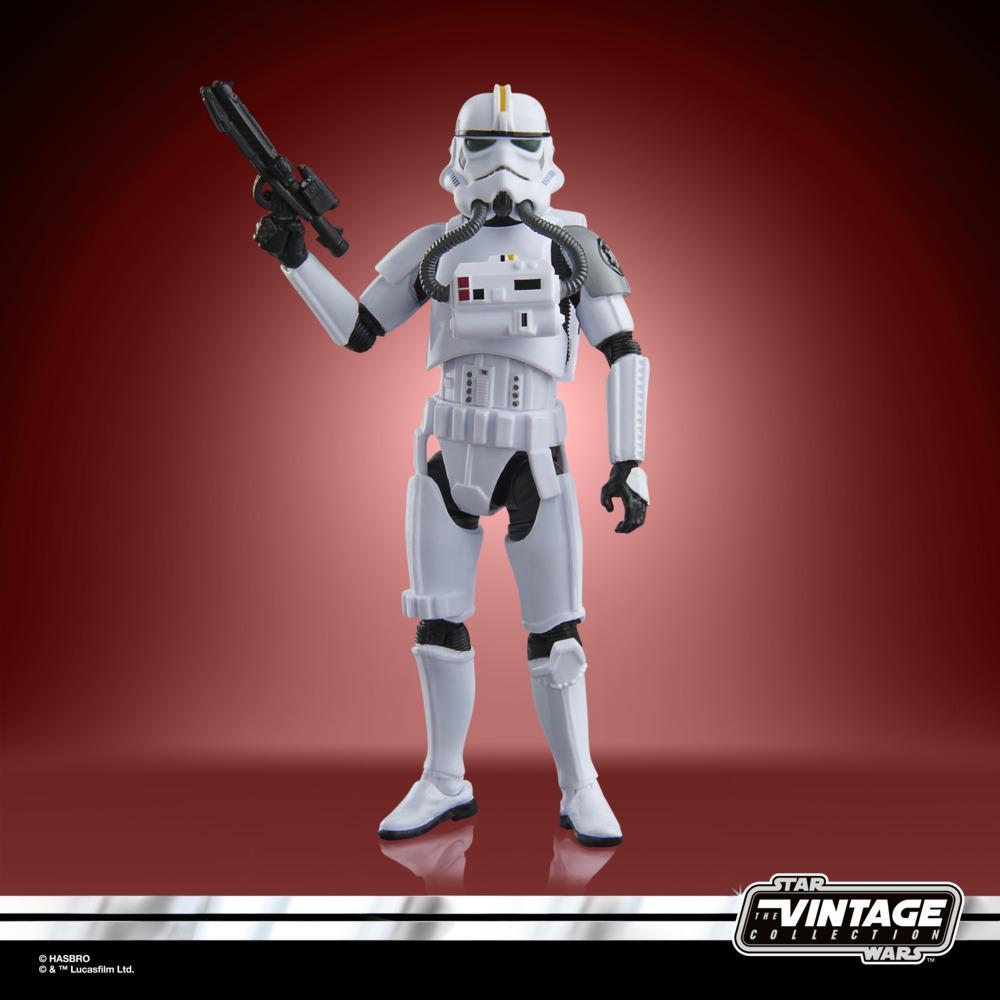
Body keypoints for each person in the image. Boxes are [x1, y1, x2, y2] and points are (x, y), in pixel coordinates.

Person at [254, 85, 650, 847]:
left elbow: (625, 350)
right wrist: (297, 261)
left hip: (536, 458)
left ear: (547, 157)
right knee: (437, 621)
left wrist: (629, 461)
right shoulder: (434, 244)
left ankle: (581, 786)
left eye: (521, 144)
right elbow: (360, 328)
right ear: (456, 156)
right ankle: (443, 779)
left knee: (558, 635)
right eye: (484, 143)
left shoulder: (572, 243)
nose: (502, 160)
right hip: (448, 455)